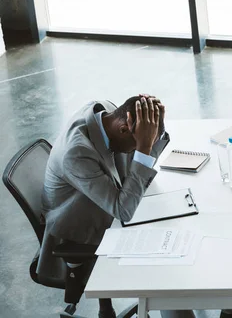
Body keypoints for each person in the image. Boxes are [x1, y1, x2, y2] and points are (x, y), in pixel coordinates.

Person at [37, 95, 194, 318]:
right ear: (123, 129)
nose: (136, 152)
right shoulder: (77, 153)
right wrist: (144, 151)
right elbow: (124, 211)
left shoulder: (107, 114)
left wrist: (153, 129)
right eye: (137, 146)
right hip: (78, 229)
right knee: (166, 258)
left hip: (99, 204)